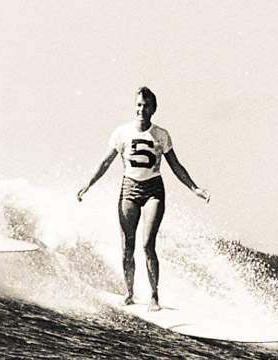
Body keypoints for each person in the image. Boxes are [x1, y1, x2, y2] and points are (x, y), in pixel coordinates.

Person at [77, 87, 210, 311]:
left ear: (153, 109)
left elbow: (175, 165)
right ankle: (129, 292)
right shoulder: (122, 133)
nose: (141, 109)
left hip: (153, 191)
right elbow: (105, 163)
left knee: (148, 244)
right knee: (127, 247)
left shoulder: (161, 135)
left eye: (146, 105)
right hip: (129, 189)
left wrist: (195, 188)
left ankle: (154, 296)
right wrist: (88, 184)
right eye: (138, 104)